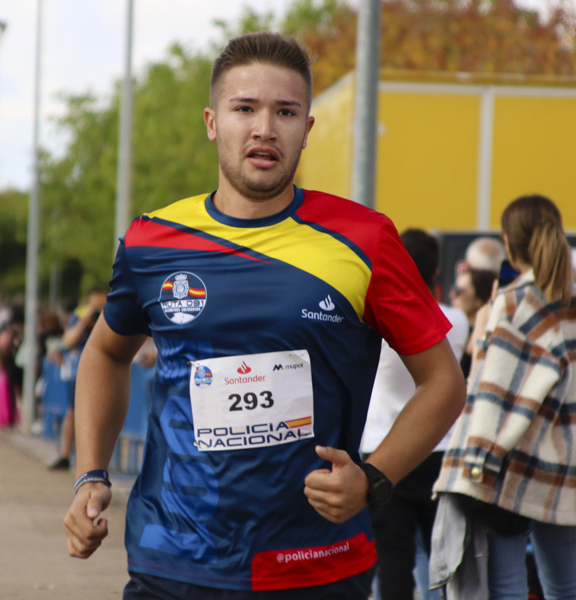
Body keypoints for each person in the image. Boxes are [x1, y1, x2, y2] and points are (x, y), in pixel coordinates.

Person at [63, 32, 466, 599]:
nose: (264, 128)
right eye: (244, 108)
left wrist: (374, 479)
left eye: (285, 111)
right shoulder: (151, 242)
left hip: (314, 564)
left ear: (307, 129)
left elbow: (444, 381)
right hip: (173, 559)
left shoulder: (364, 239)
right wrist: (91, 473)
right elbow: (106, 352)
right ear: (211, 121)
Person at [432, 195, 576, 600]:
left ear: (509, 246)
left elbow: (492, 391)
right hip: (572, 468)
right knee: (566, 584)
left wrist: (476, 461)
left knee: (507, 584)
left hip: (513, 465)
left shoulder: (512, 303)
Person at [360, 228, 468, 600]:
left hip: (383, 449)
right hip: (441, 448)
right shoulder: (457, 320)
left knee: (393, 560)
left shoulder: (373, 317)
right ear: (436, 270)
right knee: (444, 558)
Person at [49, 286, 107, 471]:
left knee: (98, 417)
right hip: (79, 372)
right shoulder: (80, 315)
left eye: (102, 305)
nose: (97, 309)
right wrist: (83, 321)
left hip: (103, 372)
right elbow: (68, 341)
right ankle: (66, 456)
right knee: (73, 413)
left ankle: (94, 461)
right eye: (94, 305)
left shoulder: (112, 316)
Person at [448, 267, 496, 377]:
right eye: (453, 289)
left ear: (479, 299)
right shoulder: (455, 329)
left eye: (459, 291)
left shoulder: (489, 335)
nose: (452, 294)